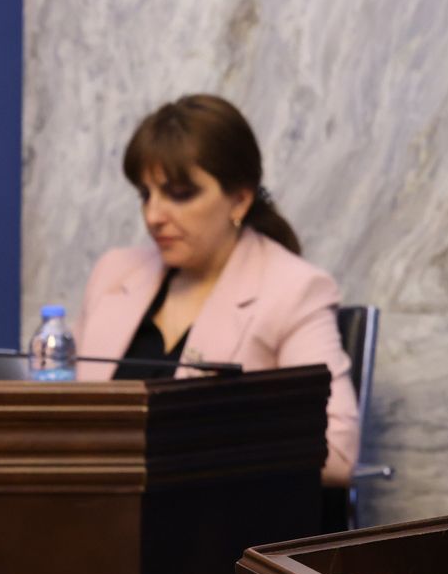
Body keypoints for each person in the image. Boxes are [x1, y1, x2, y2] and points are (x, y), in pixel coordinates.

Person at [76, 95, 360, 486]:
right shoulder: (114, 272)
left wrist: (211, 436)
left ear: (239, 200)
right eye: (146, 195)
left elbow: (339, 452)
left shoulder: (294, 290)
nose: (153, 216)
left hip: (219, 515)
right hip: (95, 507)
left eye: (179, 193)